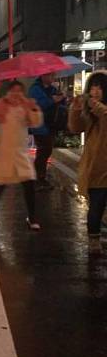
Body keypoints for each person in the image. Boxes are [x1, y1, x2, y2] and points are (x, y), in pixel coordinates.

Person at [0, 80, 43, 230]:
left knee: (29, 183)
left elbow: (36, 122)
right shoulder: (1, 104)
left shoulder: (25, 105)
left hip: (21, 152)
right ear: (7, 92)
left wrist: (34, 108)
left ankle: (32, 217)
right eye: (13, 90)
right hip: (4, 151)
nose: (16, 93)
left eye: (19, 90)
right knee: (0, 184)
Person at [67, 71, 107, 255]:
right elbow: (75, 128)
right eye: (92, 87)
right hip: (96, 167)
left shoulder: (100, 110)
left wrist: (96, 107)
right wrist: (76, 109)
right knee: (96, 205)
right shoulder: (91, 112)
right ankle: (94, 241)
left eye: (99, 87)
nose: (95, 91)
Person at [28, 72, 67, 189]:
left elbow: (61, 104)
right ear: (43, 76)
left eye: (53, 75)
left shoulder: (53, 89)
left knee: (46, 151)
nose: (53, 78)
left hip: (51, 124)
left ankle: (40, 177)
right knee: (44, 151)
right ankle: (38, 178)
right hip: (39, 125)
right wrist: (53, 100)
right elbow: (37, 105)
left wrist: (62, 97)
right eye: (50, 75)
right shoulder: (35, 89)